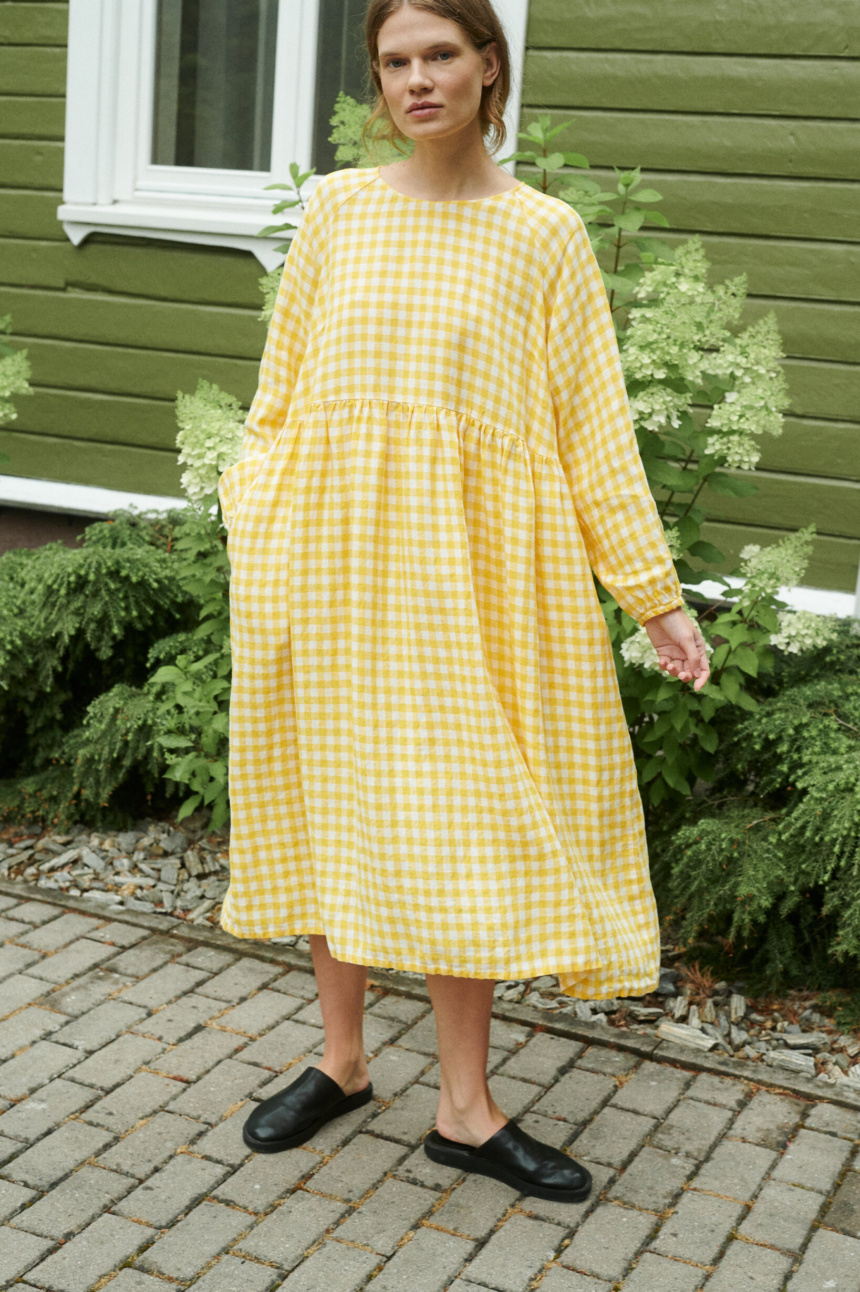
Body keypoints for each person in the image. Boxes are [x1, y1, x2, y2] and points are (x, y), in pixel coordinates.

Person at [218, 0, 710, 1203]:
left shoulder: (544, 234)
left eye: (441, 54)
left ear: (490, 68)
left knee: (461, 818)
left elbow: (591, 424)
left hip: (471, 579)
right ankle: (339, 1063)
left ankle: (462, 1105)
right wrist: (256, 517)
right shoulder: (336, 209)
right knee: (330, 790)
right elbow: (282, 395)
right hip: (328, 563)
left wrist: (651, 595)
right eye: (395, 61)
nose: (417, 79)